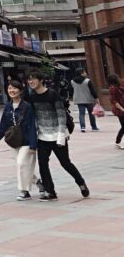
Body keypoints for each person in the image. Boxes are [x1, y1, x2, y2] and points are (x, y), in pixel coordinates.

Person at [26, 72, 88, 201]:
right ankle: (51, 192)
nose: (30, 82)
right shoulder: (31, 96)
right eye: (29, 80)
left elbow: (61, 115)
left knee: (65, 163)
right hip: (42, 136)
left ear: (41, 80)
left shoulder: (52, 94)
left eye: (33, 79)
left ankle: (80, 182)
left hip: (57, 135)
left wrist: (61, 135)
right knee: (43, 164)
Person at [0, 79, 38, 200]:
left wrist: (33, 144)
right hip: (13, 141)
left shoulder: (27, 106)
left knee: (21, 163)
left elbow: (32, 125)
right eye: (9, 88)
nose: (12, 91)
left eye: (14, 88)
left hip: (27, 141)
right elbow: (4, 124)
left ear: (20, 91)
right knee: (22, 166)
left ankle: (24, 191)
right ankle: (38, 182)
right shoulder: (8, 106)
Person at [106, 74, 124, 149]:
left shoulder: (119, 86)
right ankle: (117, 142)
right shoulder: (113, 88)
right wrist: (122, 109)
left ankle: (117, 142)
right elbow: (114, 100)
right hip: (120, 110)